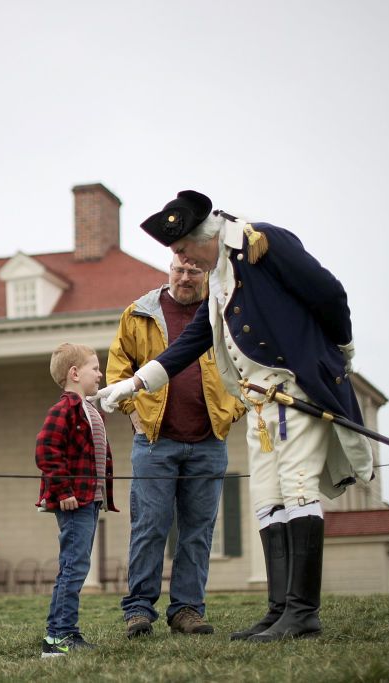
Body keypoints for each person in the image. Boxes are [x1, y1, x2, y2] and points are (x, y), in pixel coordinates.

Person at [96, 190, 374, 642]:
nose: (181, 260)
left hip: (292, 389)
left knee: (298, 489)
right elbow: (194, 343)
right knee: (267, 497)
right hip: (261, 403)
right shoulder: (221, 274)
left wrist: (340, 350)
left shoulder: (265, 244)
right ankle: (279, 609)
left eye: (184, 249)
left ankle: (303, 613)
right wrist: (135, 383)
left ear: (205, 237)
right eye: (176, 256)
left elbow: (329, 293)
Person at [106, 254, 246, 638]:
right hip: (154, 442)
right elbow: (118, 372)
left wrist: (230, 411)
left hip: (209, 442)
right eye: (178, 270)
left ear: (206, 274)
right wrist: (135, 415)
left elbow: (246, 367)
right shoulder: (138, 314)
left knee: (198, 530)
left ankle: (187, 609)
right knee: (150, 526)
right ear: (169, 271)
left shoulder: (224, 314)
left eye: (193, 271)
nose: (185, 277)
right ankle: (138, 610)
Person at [36, 342, 118, 658]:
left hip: (88, 500)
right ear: (74, 373)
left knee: (77, 566)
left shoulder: (88, 408)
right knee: (73, 566)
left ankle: (67, 632)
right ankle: (56, 638)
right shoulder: (64, 409)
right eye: (95, 368)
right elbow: (46, 451)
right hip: (74, 501)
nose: (100, 374)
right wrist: (65, 491)